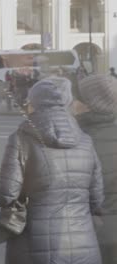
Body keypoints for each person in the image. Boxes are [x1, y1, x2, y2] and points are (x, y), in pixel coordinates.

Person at [0, 77, 104, 264]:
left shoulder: (21, 139)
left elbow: (5, 195)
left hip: (34, 248)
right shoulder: (85, 141)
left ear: (35, 103)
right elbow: (97, 200)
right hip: (83, 246)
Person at [74, 74, 117, 264]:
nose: (73, 102)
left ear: (89, 105)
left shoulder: (77, 140)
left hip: (89, 234)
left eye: (78, 98)